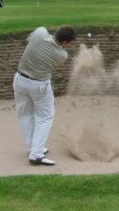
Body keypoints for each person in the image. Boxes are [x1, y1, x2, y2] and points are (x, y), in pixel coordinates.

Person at [13, 26, 77, 166]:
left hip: (19, 80)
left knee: (25, 114)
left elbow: (29, 39)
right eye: (69, 43)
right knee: (44, 117)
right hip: (39, 86)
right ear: (65, 42)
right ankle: (36, 154)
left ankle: (34, 147)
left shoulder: (40, 32)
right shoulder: (62, 55)